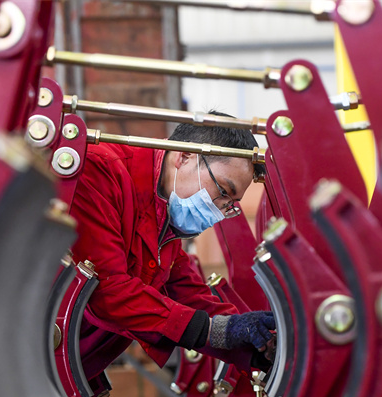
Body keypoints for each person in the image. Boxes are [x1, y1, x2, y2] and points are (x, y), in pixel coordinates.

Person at [68, 114, 276, 382]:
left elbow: (186, 295)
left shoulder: (163, 216)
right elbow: (104, 289)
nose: (221, 211)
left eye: (230, 205)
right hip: (29, 358)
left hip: (71, 369)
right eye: (223, 191)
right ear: (184, 156)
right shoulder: (99, 171)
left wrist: (256, 345)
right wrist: (211, 329)